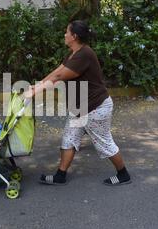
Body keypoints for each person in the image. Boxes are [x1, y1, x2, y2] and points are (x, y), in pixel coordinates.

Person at [24, 20, 131, 186]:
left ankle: (123, 174)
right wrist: (37, 86)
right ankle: (60, 175)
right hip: (80, 108)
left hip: (95, 108)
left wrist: (34, 92)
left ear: (74, 36)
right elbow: (58, 71)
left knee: (104, 143)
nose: (64, 35)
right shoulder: (74, 53)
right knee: (69, 139)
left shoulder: (84, 55)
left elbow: (59, 78)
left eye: (67, 32)